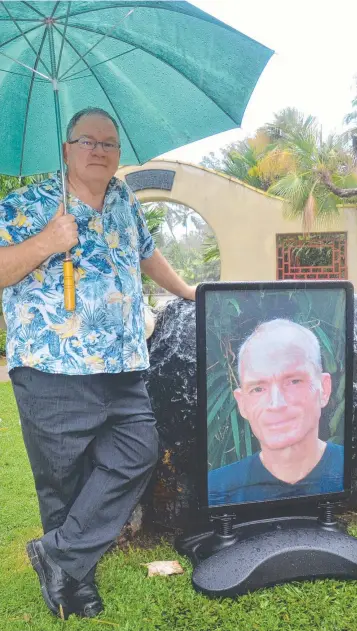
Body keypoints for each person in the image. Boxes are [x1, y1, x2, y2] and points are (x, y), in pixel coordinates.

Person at [0, 107, 196, 619]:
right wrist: (48, 242)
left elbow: (147, 254)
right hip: (53, 367)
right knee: (63, 481)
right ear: (66, 150)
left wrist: (186, 290)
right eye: (87, 141)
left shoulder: (124, 199)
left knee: (138, 450)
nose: (99, 150)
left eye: (109, 144)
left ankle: (57, 555)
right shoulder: (26, 202)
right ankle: (73, 586)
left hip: (125, 362)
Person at [208, 318, 344, 506]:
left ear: (324, 389)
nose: (276, 403)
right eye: (258, 389)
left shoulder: (356, 472)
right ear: (242, 403)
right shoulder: (216, 490)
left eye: (294, 381)